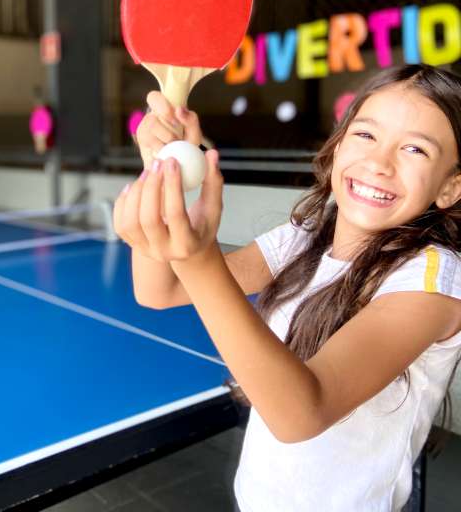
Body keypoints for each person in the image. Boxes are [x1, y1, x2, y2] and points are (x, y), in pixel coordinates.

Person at [113, 64, 461, 512]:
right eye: (366, 135)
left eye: (414, 148)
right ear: (338, 145)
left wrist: (202, 262)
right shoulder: (305, 237)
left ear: (451, 186)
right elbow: (160, 290)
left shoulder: (433, 282)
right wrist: (163, 172)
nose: (379, 162)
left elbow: (302, 413)